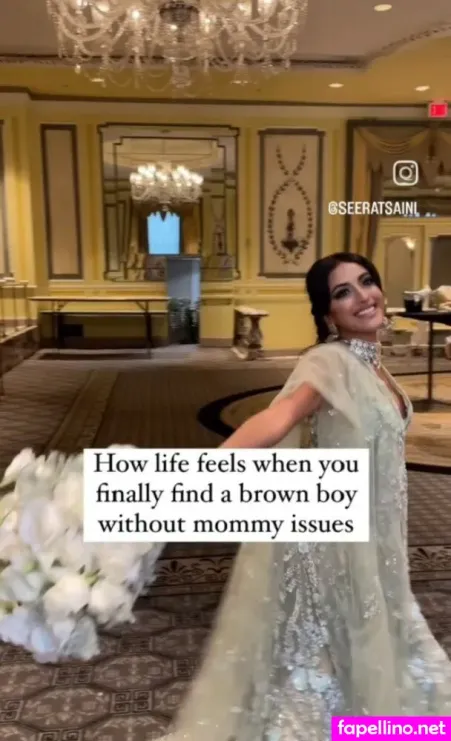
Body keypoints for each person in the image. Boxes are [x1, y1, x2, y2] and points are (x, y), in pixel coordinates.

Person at [166, 253, 451, 741]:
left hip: (380, 536)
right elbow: (274, 420)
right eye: (343, 292)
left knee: (374, 648)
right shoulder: (329, 361)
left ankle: (372, 725)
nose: (362, 297)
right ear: (327, 314)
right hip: (339, 544)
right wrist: (197, 478)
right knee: (337, 657)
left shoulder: (373, 365)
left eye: (366, 282)